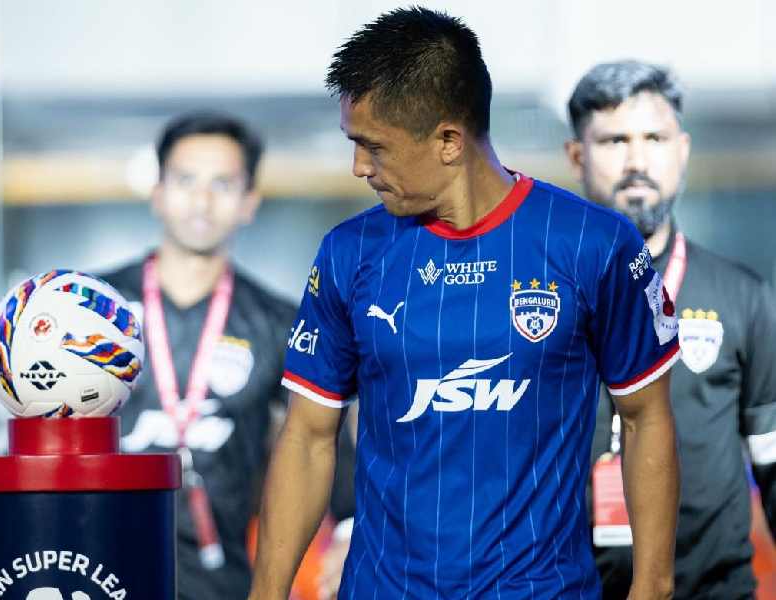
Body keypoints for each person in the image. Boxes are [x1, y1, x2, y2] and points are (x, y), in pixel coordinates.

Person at [250, 7, 681, 599]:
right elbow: (307, 436)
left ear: (449, 141)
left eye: (374, 147)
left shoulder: (593, 243)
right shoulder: (348, 252)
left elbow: (646, 416)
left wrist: (652, 587)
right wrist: (266, 594)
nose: (358, 167)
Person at [566, 60, 776, 599]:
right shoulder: (532, 299)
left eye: (654, 138)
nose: (637, 160)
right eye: (614, 140)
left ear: (681, 150)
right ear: (576, 156)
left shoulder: (744, 296)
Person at [101, 112, 299, 600]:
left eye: (223, 183)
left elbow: (320, 442)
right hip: (93, 568)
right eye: (185, 180)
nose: (202, 200)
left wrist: (347, 529)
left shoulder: (279, 322)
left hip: (223, 580)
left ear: (250, 202)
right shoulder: (91, 307)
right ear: (158, 192)